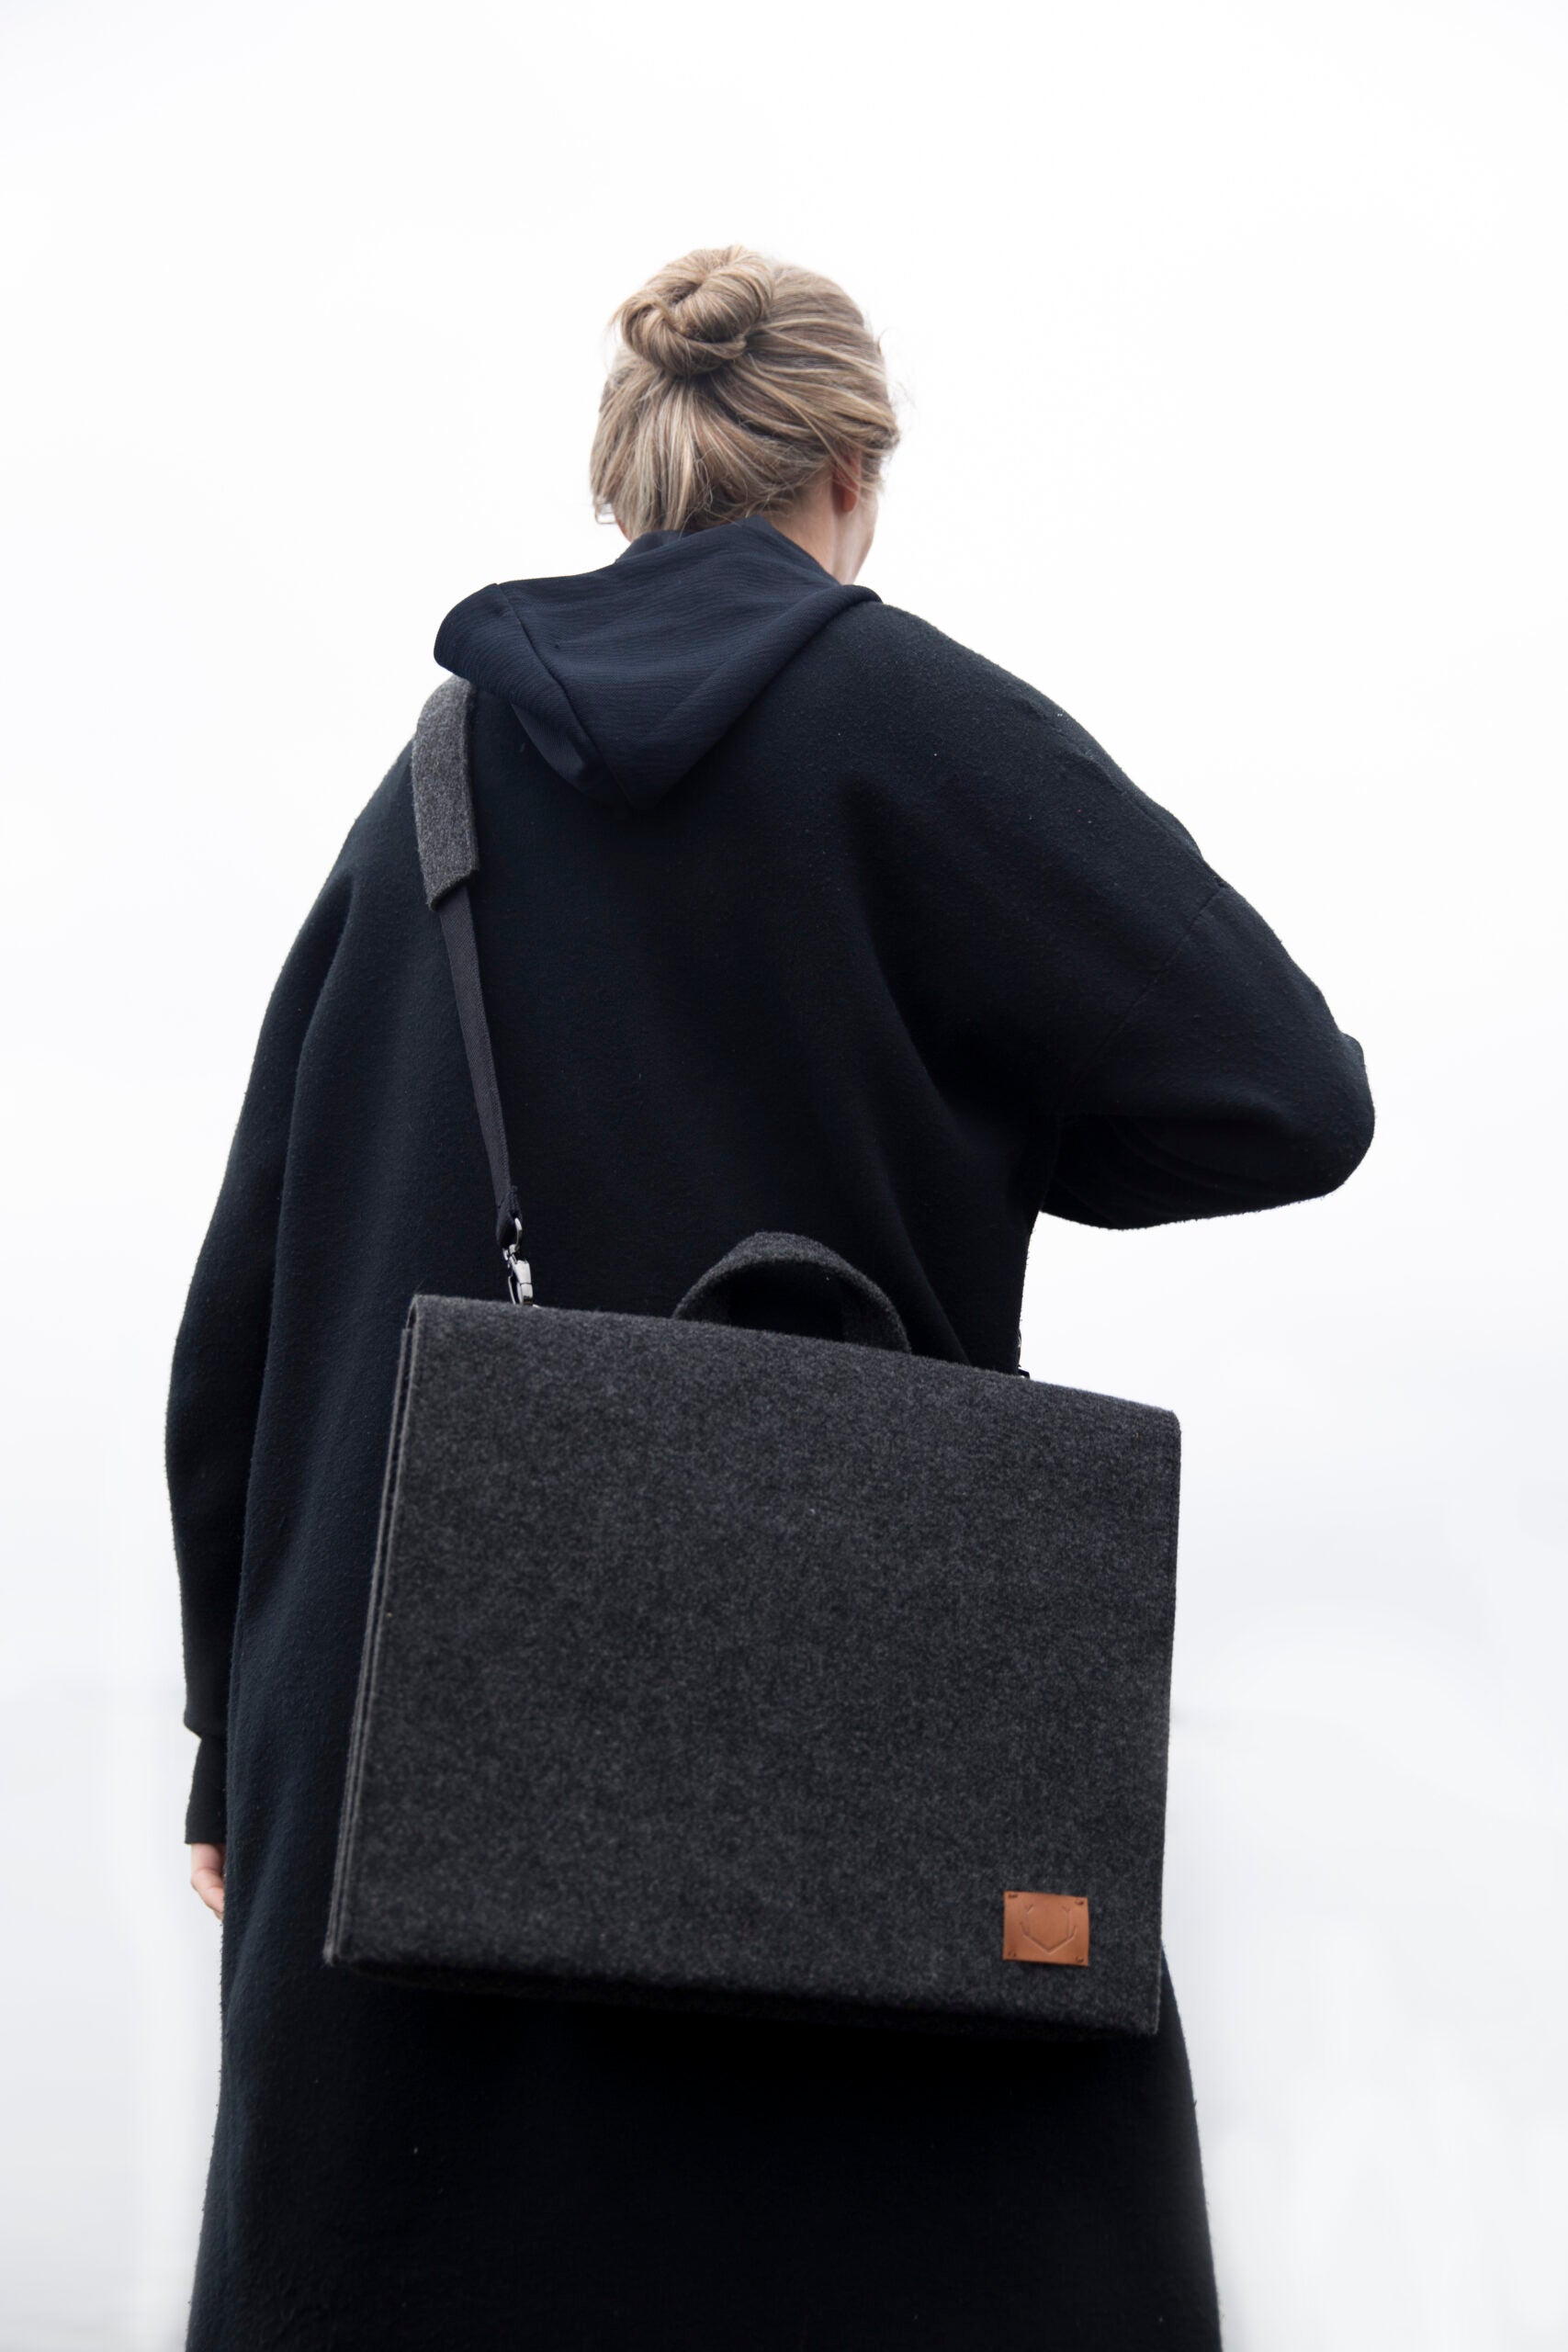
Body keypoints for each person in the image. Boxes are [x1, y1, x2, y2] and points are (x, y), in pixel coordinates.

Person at [170, 243, 1374, 2348]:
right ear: (848, 475)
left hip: (415, 1837)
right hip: (862, 1806)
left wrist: (224, 1750)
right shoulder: (914, 727)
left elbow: (244, 1316)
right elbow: (1286, 1091)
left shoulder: (424, 801)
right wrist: (963, 1115)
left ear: (632, 471)